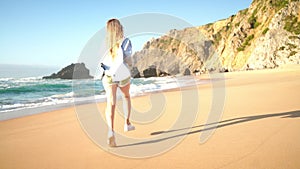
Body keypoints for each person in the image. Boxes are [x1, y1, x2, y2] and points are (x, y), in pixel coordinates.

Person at [101, 18, 135, 147]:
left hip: (108, 75)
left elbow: (103, 61)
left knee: (111, 103)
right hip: (122, 74)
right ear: (120, 27)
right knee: (126, 96)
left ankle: (111, 132)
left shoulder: (105, 43)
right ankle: (127, 123)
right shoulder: (126, 41)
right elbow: (128, 59)